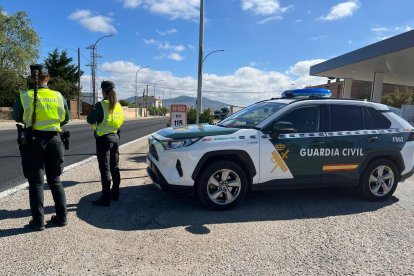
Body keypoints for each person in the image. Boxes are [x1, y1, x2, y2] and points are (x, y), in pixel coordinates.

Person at [13, 64, 69, 231]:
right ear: (48, 77)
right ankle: (62, 218)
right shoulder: (58, 95)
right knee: (55, 181)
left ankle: (38, 223)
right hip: (55, 141)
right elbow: (65, 119)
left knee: (36, 183)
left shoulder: (24, 95)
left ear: (32, 78)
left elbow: (17, 116)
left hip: (33, 142)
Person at [87, 81, 125, 207]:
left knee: (105, 170)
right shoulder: (118, 106)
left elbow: (90, 119)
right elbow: (119, 123)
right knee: (115, 167)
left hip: (104, 139)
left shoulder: (101, 104)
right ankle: (115, 194)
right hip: (115, 138)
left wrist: (94, 111)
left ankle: (105, 198)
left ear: (103, 91)